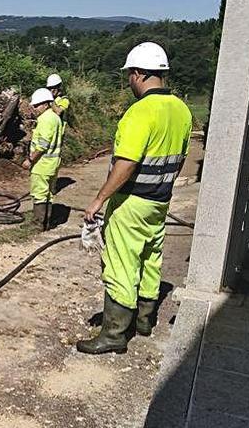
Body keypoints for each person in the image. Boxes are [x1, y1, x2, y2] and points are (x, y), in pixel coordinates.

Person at [78, 42, 192, 354]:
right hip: (160, 200)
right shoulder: (181, 110)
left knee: (120, 264)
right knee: (150, 258)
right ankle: (144, 320)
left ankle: (114, 334)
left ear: (139, 74)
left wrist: (100, 199)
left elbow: (126, 163)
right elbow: (181, 157)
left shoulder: (139, 113)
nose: (129, 80)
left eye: (130, 74)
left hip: (131, 202)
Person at [22, 88, 64, 231]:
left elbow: (43, 145)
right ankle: (47, 221)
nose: (35, 108)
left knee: (39, 193)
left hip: (42, 164)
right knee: (48, 194)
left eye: (37, 105)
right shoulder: (56, 118)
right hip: (53, 164)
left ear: (45, 104)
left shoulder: (46, 119)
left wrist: (30, 159)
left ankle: (37, 223)